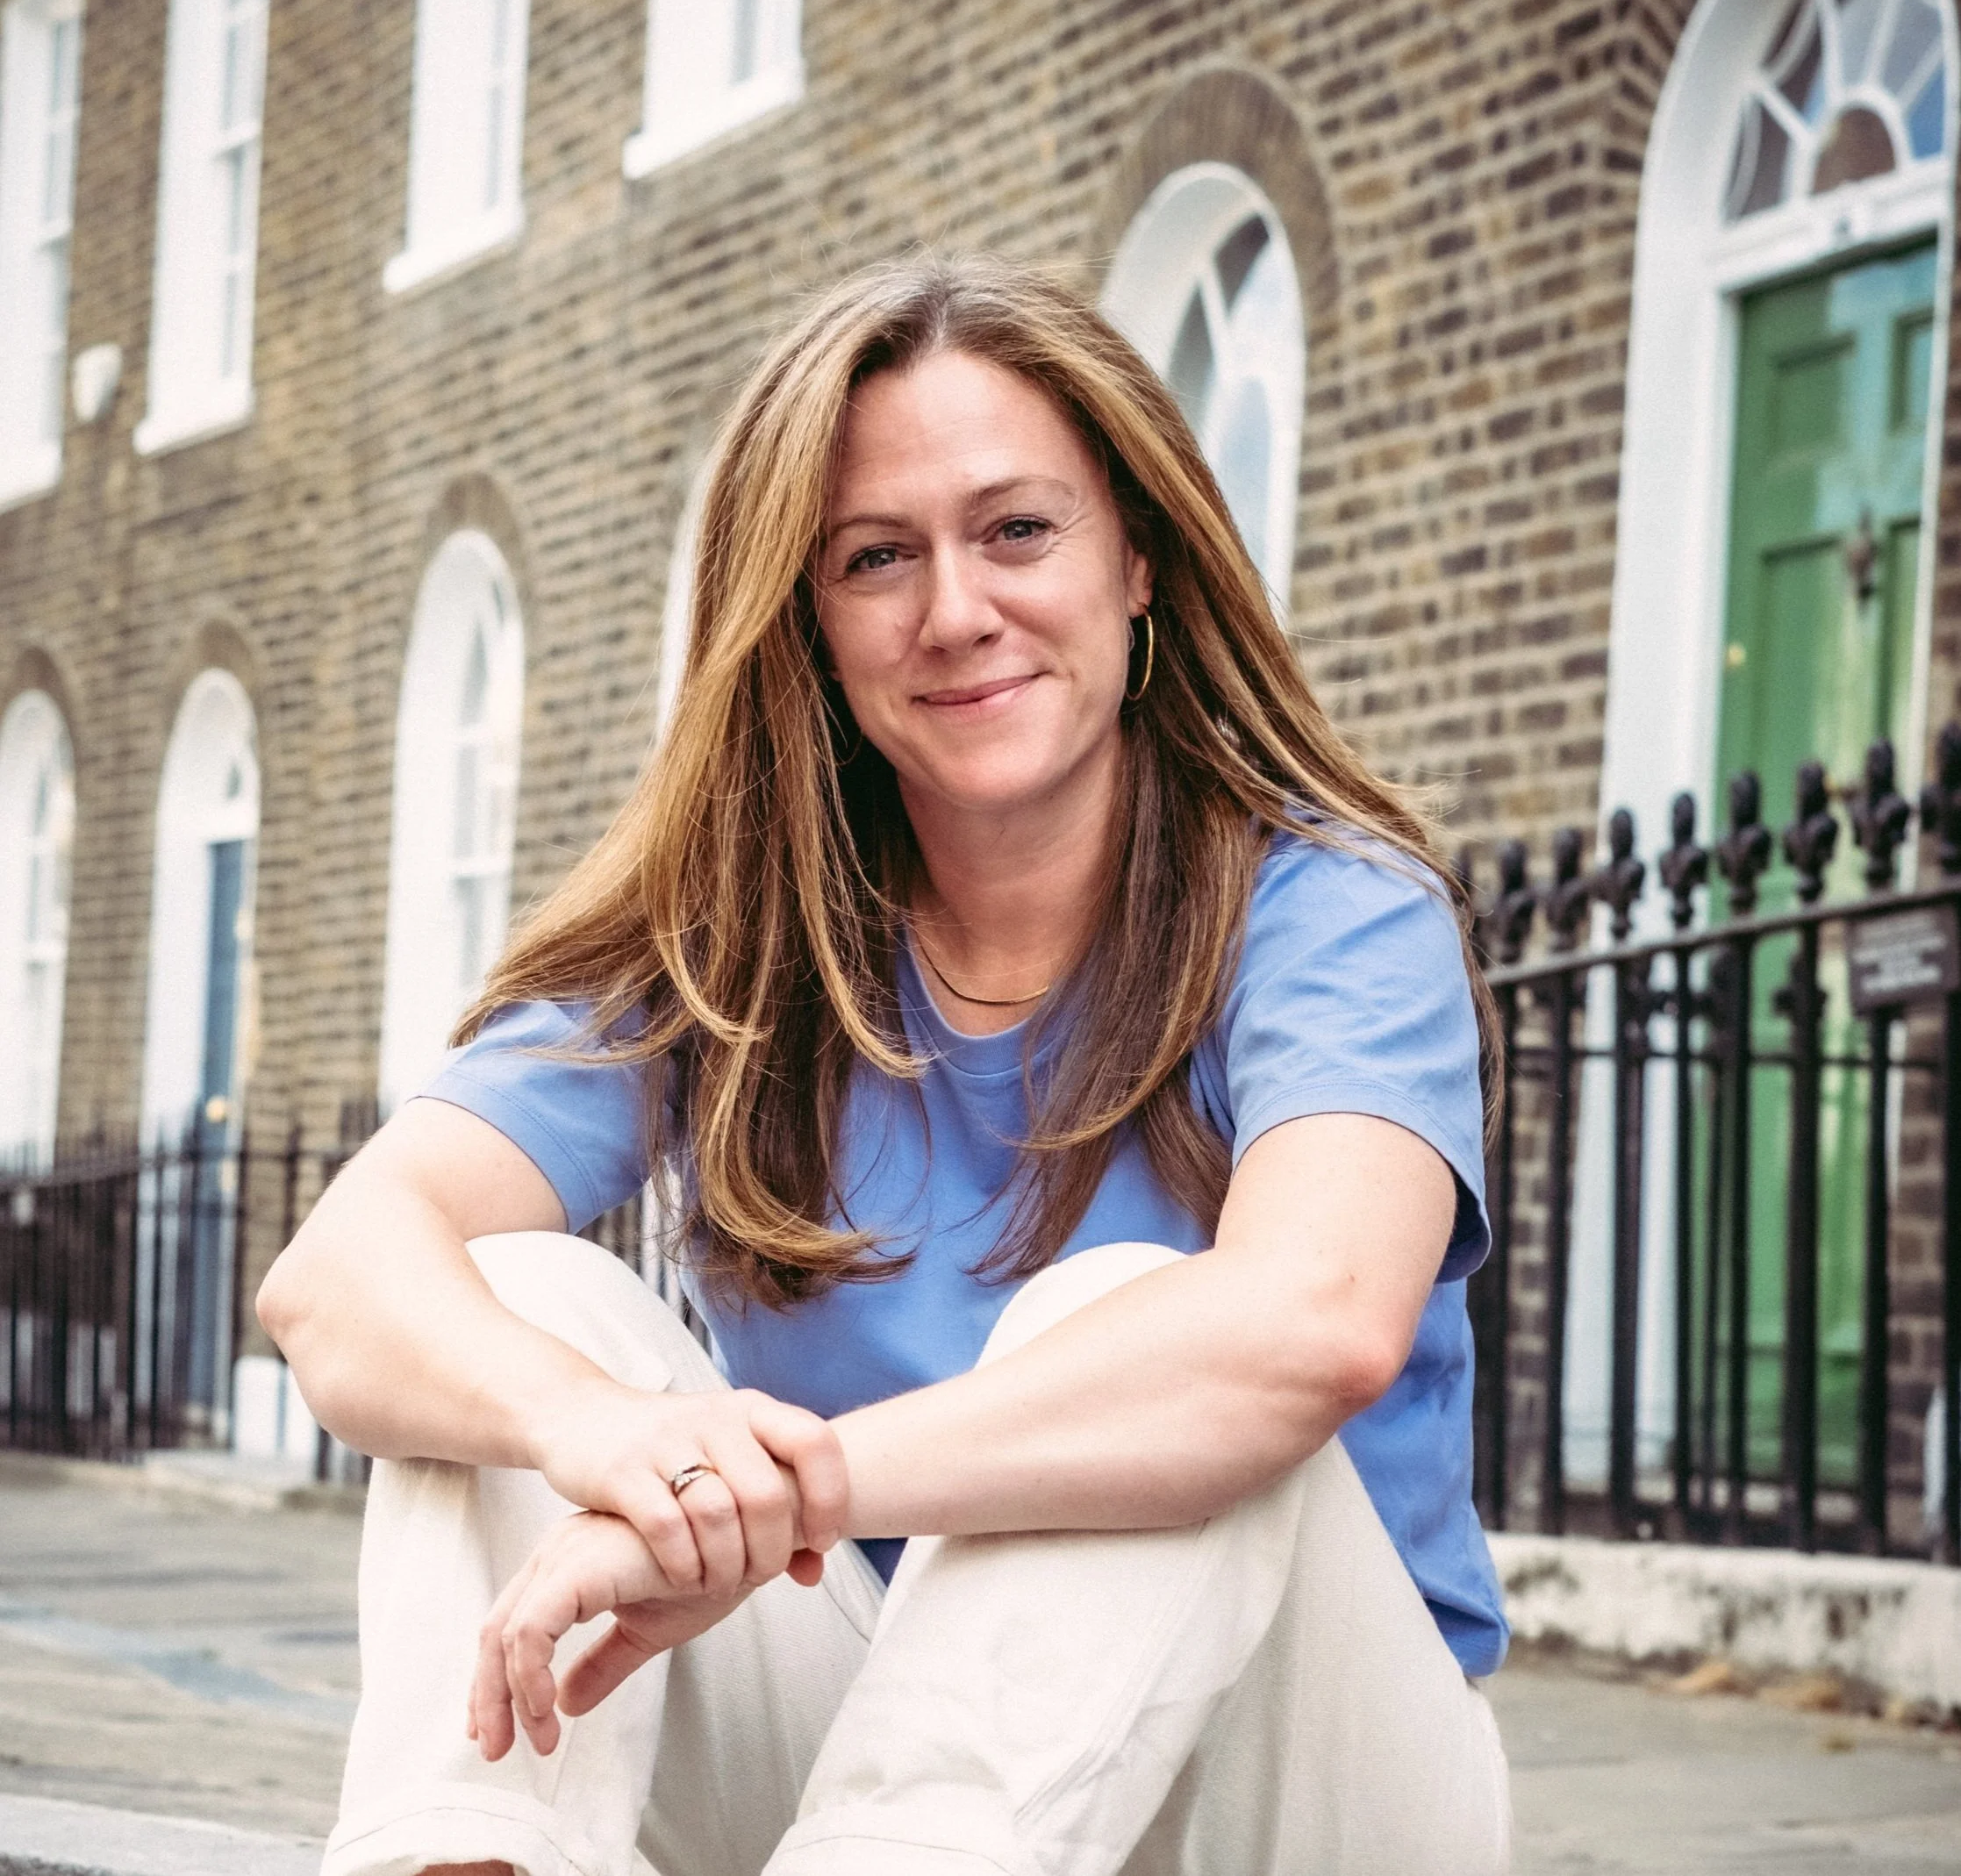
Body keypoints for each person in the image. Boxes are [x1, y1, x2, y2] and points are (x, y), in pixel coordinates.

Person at [259, 253, 1512, 1876]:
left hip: (1293, 1792)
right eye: (874, 558)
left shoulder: (1333, 908)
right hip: (893, 1761)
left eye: (1016, 529)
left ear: (1136, 555)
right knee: (524, 1301)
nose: (954, 610)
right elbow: (340, 1277)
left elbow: (1313, 1327)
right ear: (805, 616)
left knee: (1133, 1329)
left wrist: (793, 1490)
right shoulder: (737, 935)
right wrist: (599, 1437)